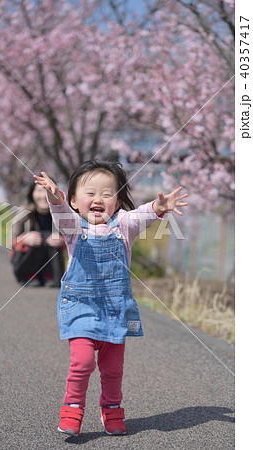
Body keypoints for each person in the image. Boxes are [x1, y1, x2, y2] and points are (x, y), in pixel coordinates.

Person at [34, 160, 188, 436]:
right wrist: (54, 197)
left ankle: (111, 408)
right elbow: (60, 213)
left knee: (113, 368)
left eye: (107, 194)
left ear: (117, 202)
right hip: (81, 307)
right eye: (90, 193)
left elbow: (142, 213)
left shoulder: (124, 225)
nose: (98, 199)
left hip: (116, 309)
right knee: (82, 361)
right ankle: (72, 407)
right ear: (74, 200)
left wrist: (158, 207)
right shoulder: (74, 227)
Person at [10, 182, 65, 287]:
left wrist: (62, 241)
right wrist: (24, 239)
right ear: (32, 193)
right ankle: (29, 274)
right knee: (36, 237)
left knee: (52, 238)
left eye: (48, 191)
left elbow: (74, 240)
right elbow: (11, 242)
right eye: (39, 191)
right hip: (26, 259)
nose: (44, 195)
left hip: (51, 263)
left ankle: (50, 275)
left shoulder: (61, 215)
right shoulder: (23, 213)